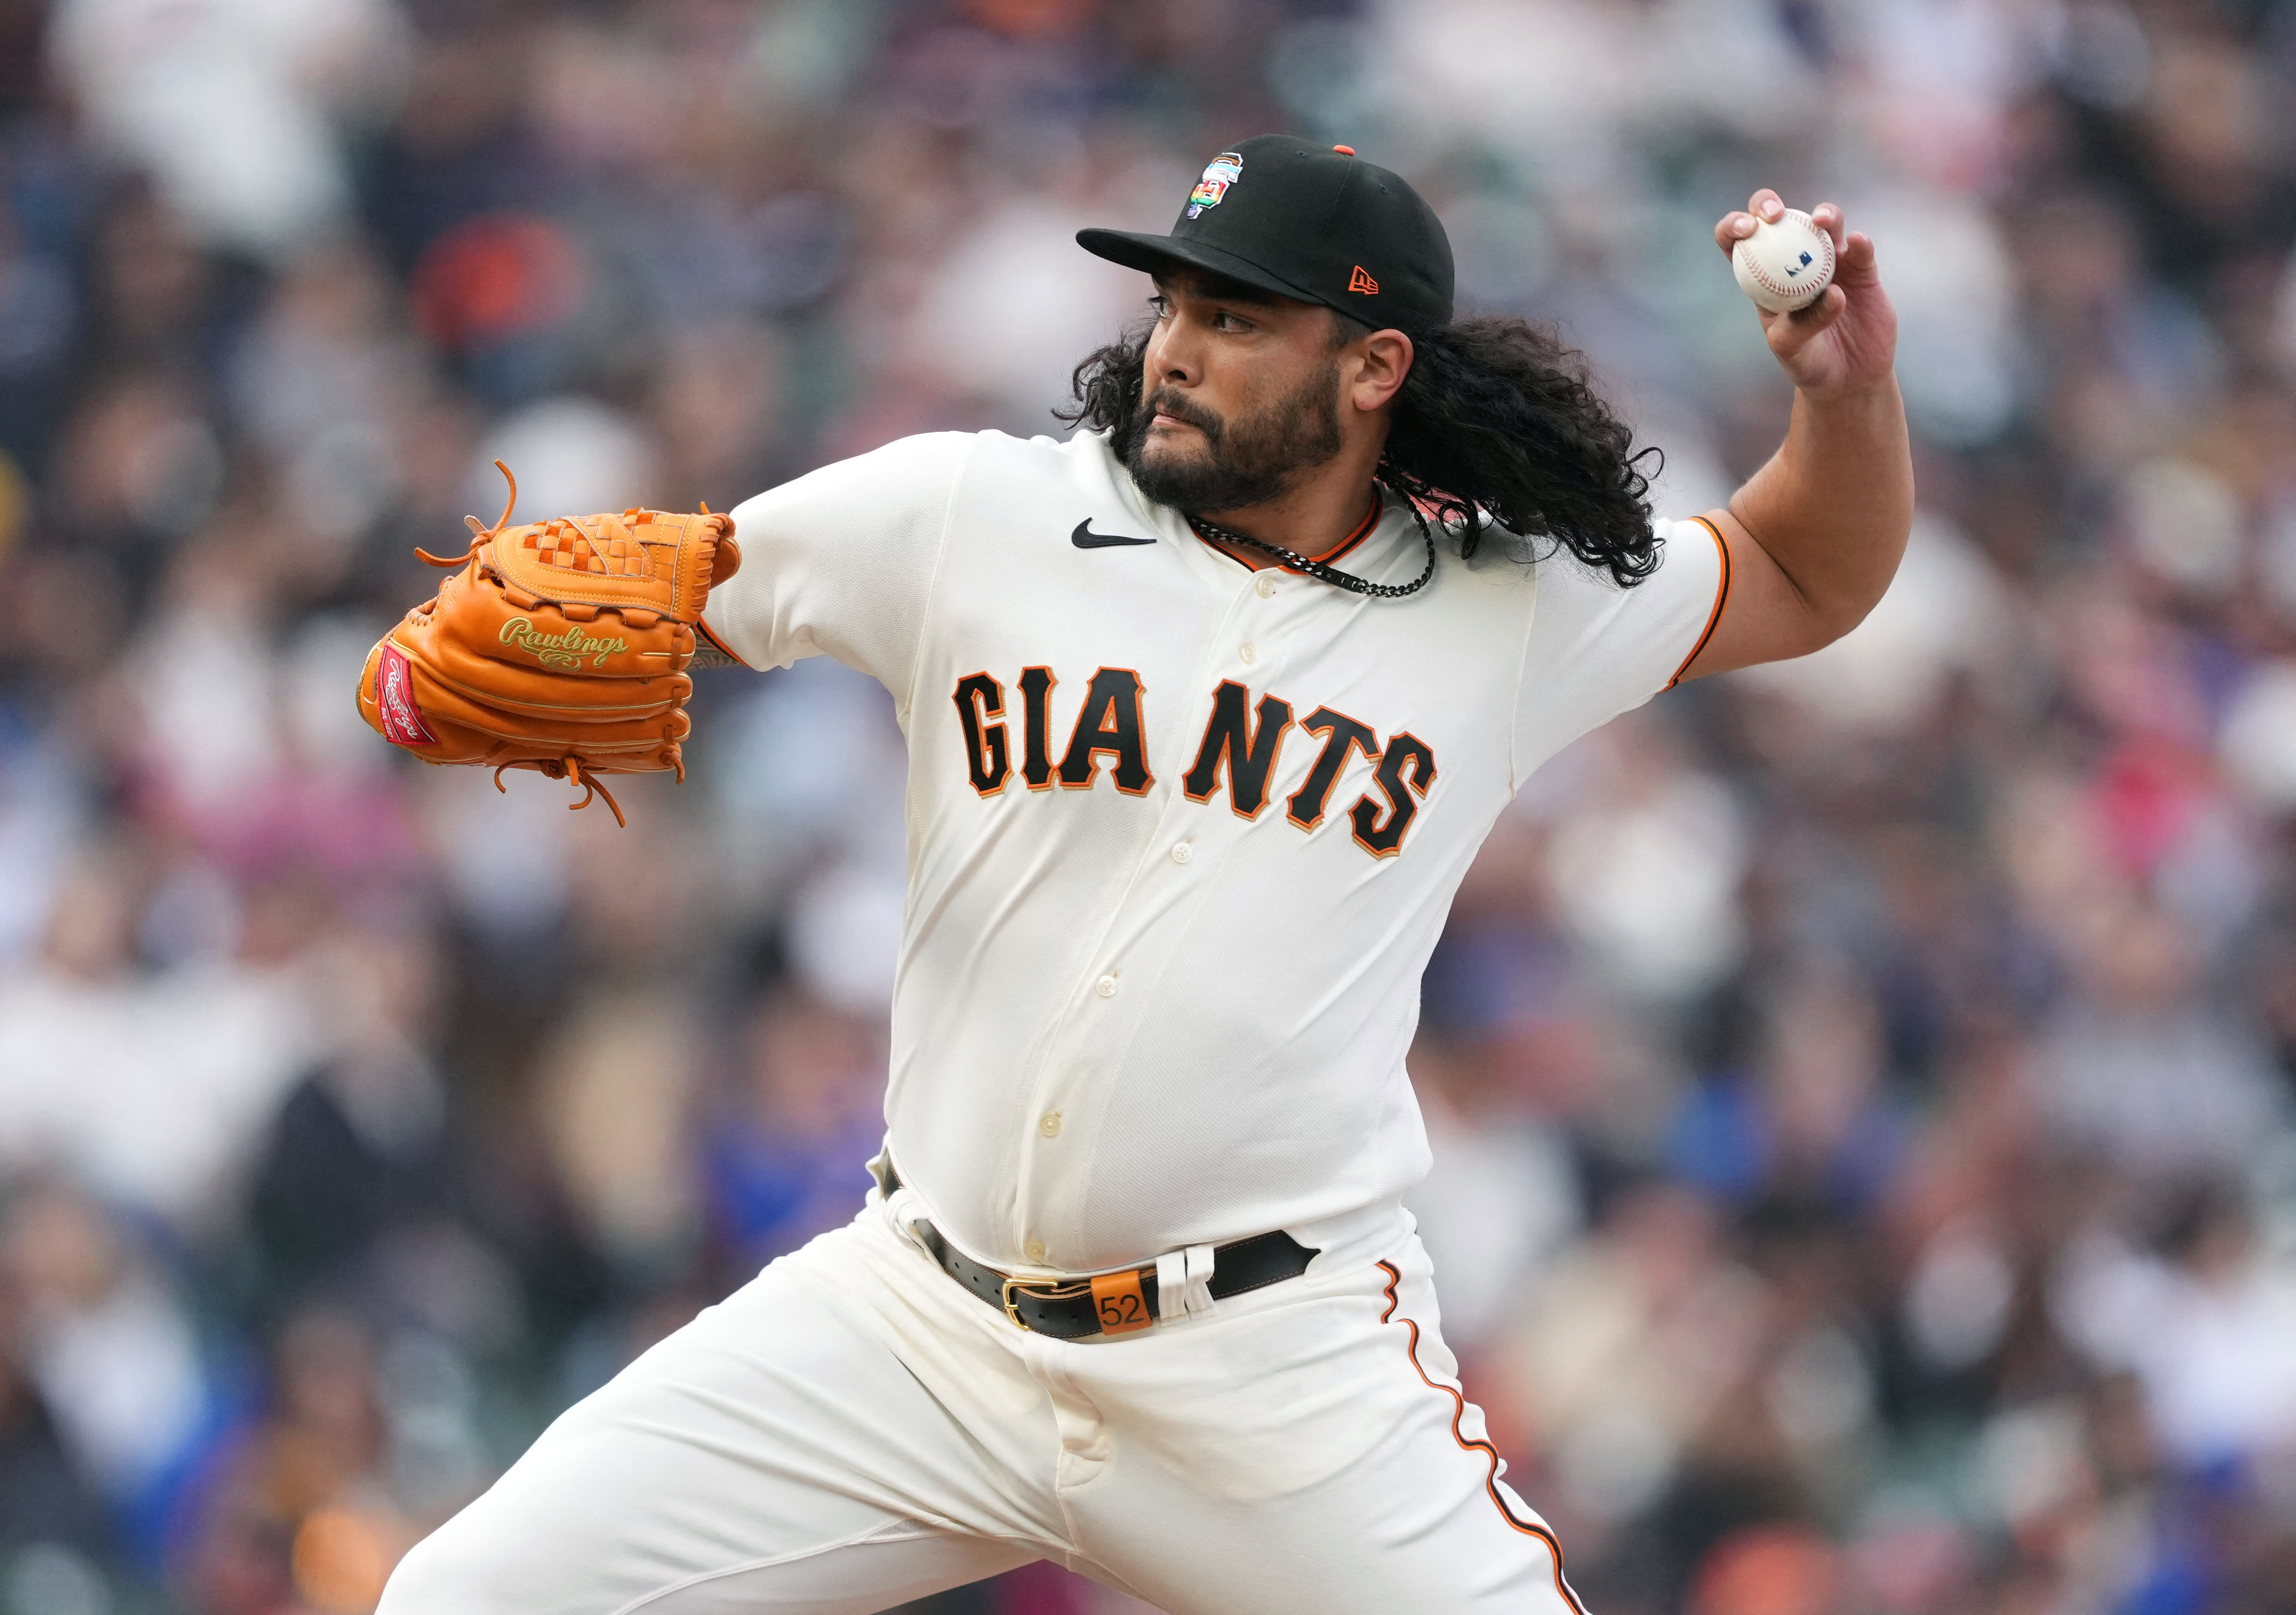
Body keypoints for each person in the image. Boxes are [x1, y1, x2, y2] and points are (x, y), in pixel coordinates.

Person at [377, 134, 1908, 1615]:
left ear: (1374, 368)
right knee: (464, 1597)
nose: (1174, 346)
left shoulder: (1500, 602)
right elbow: (688, 580)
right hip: (916, 1325)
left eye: (1235, 317)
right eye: (1170, 303)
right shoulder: (980, 514)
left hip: (1264, 1368)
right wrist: (473, 642)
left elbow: (1800, 571)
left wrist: (1845, 396)